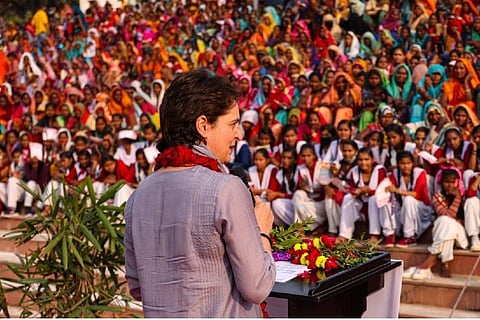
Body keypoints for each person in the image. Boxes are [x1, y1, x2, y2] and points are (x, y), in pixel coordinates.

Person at [124, 70, 276, 317]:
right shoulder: (226, 188)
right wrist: (262, 231)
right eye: (233, 124)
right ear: (203, 125)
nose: (239, 135)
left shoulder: (138, 196)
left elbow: (137, 286)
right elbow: (257, 286)